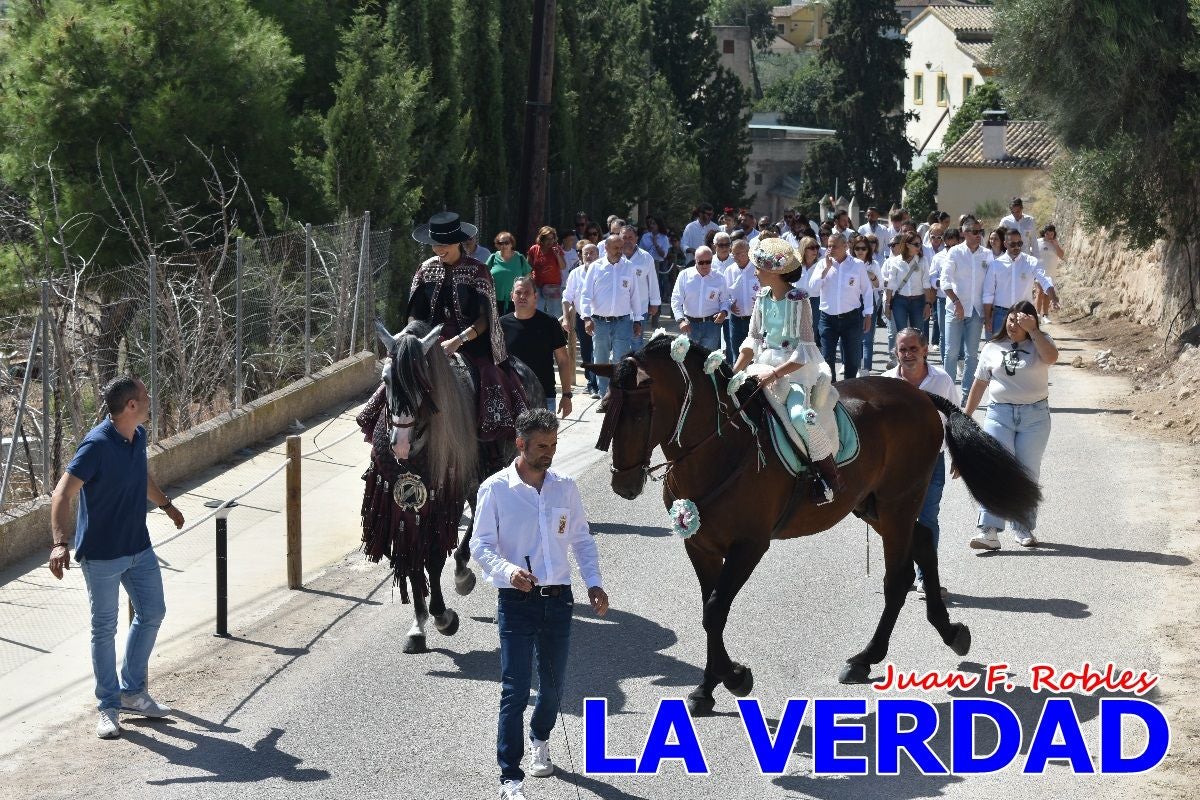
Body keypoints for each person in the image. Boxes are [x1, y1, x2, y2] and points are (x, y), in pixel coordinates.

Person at [470, 408, 609, 800]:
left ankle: (540, 737)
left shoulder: (565, 487)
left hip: (559, 602)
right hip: (516, 601)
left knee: (552, 688)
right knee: (514, 689)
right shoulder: (496, 489)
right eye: (542, 446)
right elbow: (480, 544)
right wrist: (507, 569)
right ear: (520, 444)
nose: (549, 453)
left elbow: (581, 538)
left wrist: (594, 584)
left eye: (554, 445)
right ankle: (510, 778)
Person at [49, 376, 186, 739]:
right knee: (104, 629)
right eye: (145, 395)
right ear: (131, 406)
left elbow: (141, 477)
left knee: (153, 612)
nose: (150, 398)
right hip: (102, 556)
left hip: (138, 548)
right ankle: (108, 706)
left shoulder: (137, 437)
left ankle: (132, 692)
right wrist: (60, 542)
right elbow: (61, 494)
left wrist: (167, 505)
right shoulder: (95, 446)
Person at [732, 237, 844, 503]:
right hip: (760, 365)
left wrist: (774, 374)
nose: (755, 271)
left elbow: (804, 350)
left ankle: (829, 477)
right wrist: (733, 371)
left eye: (759, 266)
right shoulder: (761, 297)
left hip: (793, 372)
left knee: (798, 416)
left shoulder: (800, 300)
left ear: (775, 271)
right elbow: (753, 340)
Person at [409, 212, 528, 441]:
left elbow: (485, 318)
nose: (438, 249)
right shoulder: (425, 269)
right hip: (429, 340)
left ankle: (493, 441)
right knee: (398, 373)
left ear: (458, 242)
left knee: (490, 374)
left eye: (444, 244)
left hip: (471, 341)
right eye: (435, 244)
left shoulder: (478, 270)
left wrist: (458, 340)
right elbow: (415, 312)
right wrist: (416, 337)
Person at [963, 301, 1057, 549]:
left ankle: (1023, 526)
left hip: (1035, 416)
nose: (1014, 325)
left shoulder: (1041, 342)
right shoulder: (993, 347)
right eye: (1011, 320)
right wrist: (966, 415)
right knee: (995, 470)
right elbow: (980, 383)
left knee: (1027, 472)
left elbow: (1052, 358)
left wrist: (1034, 332)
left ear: (1032, 322)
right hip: (999, 414)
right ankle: (989, 530)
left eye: (1020, 321)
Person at [882, 329, 959, 597]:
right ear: (896, 352)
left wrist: (958, 456)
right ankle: (899, 573)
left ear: (925, 350)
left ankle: (927, 578)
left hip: (931, 462)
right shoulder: (885, 383)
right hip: (894, 467)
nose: (908, 354)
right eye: (903, 350)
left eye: (913, 348)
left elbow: (954, 420)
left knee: (927, 519)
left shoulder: (942, 381)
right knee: (897, 520)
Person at [580, 235, 642, 401]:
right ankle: (603, 394)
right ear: (606, 248)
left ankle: (616, 392)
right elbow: (585, 295)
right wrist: (586, 318)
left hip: (622, 321)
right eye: (616, 248)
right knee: (600, 358)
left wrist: (637, 319)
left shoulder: (629, 267)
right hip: (599, 321)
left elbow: (635, 295)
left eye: (621, 248)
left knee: (620, 358)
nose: (620, 252)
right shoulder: (596, 267)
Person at [500, 277, 573, 417]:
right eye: (518, 292)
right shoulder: (501, 324)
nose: (522, 296)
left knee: (543, 440)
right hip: (511, 397)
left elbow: (563, 361)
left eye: (527, 293)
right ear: (512, 296)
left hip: (544, 397)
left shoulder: (550, 323)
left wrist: (567, 395)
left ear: (535, 296)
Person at [810, 231, 874, 381]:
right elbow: (812, 289)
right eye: (828, 246)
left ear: (845, 246)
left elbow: (867, 290)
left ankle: (848, 392)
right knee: (827, 359)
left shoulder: (857, 265)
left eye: (834, 246)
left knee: (852, 360)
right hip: (827, 319)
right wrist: (825, 269)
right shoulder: (822, 264)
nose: (830, 249)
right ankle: (831, 393)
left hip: (851, 318)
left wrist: (868, 314)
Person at [942, 216, 990, 395]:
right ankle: (947, 394)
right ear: (965, 233)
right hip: (955, 309)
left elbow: (991, 284)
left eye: (980, 232)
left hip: (976, 311)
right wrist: (957, 302)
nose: (979, 235)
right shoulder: (954, 252)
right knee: (951, 353)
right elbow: (945, 281)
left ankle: (966, 394)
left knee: (972, 355)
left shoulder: (987, 254)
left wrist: (988, 311)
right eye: (975, 232)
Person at [983, 229, 1060, 337]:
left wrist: (1053, 298)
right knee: (997, 350)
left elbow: (1045, 280)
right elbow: (988, 293)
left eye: (1019, 243)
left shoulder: (1031, 261)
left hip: (1023, 316)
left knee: (1023, 351)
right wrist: (987, 318)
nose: (1017, 247)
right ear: (1005, 244)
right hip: (1000, 315)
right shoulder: (995, 265)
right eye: (1012, 244)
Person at [882, 233, 934, 356]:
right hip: (900, 301)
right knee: (902, 333)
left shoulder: (923, 261)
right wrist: (888, 304)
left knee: (918, 333)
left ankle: (920, 360)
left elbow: (926, 284)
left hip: (919, 301)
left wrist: (928, 304)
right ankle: (901, 361)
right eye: (916, 244)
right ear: (907, 245)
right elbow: (891, 285)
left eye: (920, 244)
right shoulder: (895, 261)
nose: (919, 247)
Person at [671, 245, 730, 351]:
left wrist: (724, 312)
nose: (705, 265)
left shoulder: (720, 278)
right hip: (689, 325)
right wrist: (680, 320)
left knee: (709, 362)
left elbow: (725, 300)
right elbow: (676, 300)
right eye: (701, 262)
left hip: (711, 326)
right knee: (690, 361)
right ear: (695, 260)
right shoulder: (684, 275)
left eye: (708, 262)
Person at [563, 242, 600, 398]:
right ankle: (591, 380)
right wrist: (565, 318)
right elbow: (567, 297)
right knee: (586, 350)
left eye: (592, 253)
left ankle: (596, 384)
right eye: (586, 253)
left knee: (598, 349)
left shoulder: (604, 271)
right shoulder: (575, 274)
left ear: (599, 255)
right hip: (581, 317)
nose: (589, 256)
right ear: (581, 256)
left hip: (601, 317)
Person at [621, 224, 660, 346]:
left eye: (630, 237)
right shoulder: (614, 257)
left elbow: (653, 281)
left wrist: (654, 303)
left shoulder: (646, 257)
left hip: (640, 307)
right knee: (620, 341)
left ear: (636, 238)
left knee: (636, 341)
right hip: (618, 308)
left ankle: (636, 365)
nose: (627, 241)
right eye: (624, 237)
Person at [724, 238, 759, 364]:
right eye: (734, 254)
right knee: (737, 354)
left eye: (740, 253)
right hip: (736, 320)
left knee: (756, 355)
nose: (737, 257)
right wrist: (729, 306)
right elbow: (725, 295)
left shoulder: (758, 268)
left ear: (749, 252)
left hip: (755, 320)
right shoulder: (729, 271)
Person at [851, 237, 883, 375]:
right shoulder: (849, 263)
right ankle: (857, 365)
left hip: (869, 301)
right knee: (854, 336)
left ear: (868, 250)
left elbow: (879, 285)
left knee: (868, 337)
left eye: (863, 248)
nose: (860, 251)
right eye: (857, 248)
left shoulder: (873, 264)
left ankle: (866, 369)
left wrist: (871, 275)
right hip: (852, 302)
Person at [488, 231, 533, 316]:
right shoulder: (493, 257)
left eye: (506, 243)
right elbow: (484, 274)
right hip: (494, 300)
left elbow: (528, 277)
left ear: (511, 244)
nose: (504, 245)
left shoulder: (520, 258)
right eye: (501, 243)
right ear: (497, 245)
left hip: (516, 300)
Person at [527, 226, 567, 319]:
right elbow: (528, 267)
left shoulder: (557, 249)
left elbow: (563, 266)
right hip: (537, 286)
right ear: (541, 238)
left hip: (553, 287)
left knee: (555, 315)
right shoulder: (534, 249)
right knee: (537, 313)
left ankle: (555, 332)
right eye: (547, 239)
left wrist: (557, 255)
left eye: (552, 238)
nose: (550, 241)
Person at [796, 236, 823, 347]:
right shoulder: (796, 267)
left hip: (816, 302)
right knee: (798, 333)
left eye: (817, 247)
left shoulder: (821, 265)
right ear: (803, 249)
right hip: (797, 302)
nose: (815, 251)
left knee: (814, 334)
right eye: (811, 248)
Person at [1035, 224, 1064, 321]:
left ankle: (1045, 315)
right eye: (1047, 234)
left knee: (1047, 294)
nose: (1049, 236)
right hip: (1039, 272)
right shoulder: (1037, 242)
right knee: (1040, 292)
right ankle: (1037, 315)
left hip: (1050, 273)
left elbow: (1061, 255)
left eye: (1052, 234)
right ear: (1044, 233)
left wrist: (1055, 244)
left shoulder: (1055, 243)